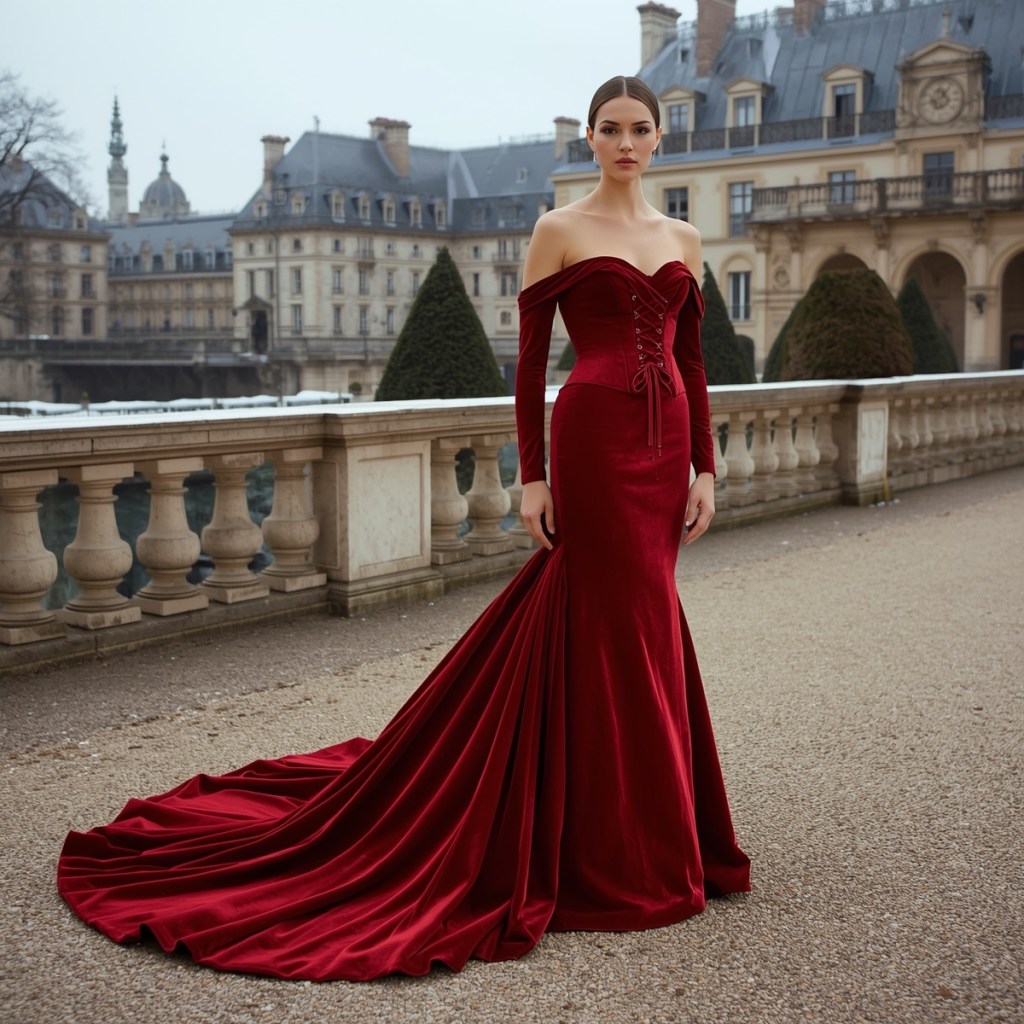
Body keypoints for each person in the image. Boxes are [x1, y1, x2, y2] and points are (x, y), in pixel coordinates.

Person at [57, 76, 750, 983]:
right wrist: (532, 478)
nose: (626, 142)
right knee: (613, 618)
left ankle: (648, 828)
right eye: (610, 129)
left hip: (663, 461)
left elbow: (691, 361)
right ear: (589, 138)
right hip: (590, 436)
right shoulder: (559, 229)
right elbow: (532, 363)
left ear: (660, 140)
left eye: (641, 129)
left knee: (645, 620)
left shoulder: (684, 238)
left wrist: (706, 465)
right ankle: (617, 848)